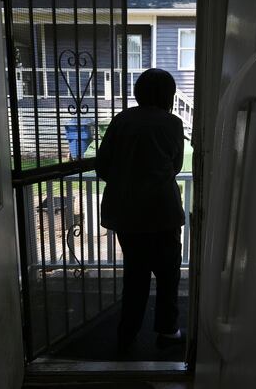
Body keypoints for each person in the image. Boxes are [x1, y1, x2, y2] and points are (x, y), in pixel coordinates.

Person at [95, 68, 185, 351]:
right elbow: (177, 166)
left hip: (128, 214)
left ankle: (127, 333)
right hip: (163, 213)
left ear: (138, 91)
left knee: (135, 275)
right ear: (169, 95)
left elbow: (103, 166)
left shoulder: (121, 120)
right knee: (169, 275)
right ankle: (167, 331)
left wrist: (126, 179)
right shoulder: (173, 123)